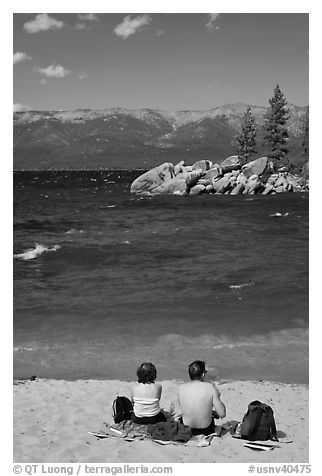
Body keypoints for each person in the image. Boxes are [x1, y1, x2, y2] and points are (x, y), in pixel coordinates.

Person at [177, 360, 226, 435]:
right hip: (205, 429)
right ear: (203, 374)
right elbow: (222, 413)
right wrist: (218, 396)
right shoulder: (210, 387)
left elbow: (188, 407)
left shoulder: (181, 388)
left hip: (187, 428)